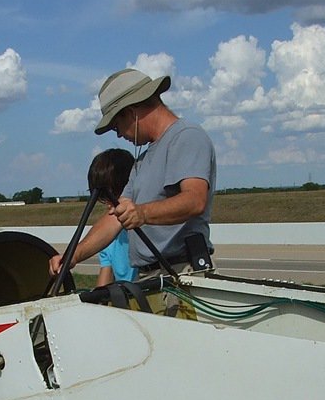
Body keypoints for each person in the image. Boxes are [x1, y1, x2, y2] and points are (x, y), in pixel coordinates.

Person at [49, 68, 216, 287]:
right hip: (151, 277)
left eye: (116, 125)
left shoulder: (187, 137)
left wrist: (143, 213)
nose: (118, 134)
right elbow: (114, 219)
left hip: (183, 273)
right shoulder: (143, 161)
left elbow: (195, 201)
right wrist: (75, 254)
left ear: (131, 111)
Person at [89, 148, 136, 285]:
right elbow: (104, 285)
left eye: (114, 195)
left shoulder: (150, 226)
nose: (110, 206)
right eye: (104, 198)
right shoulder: (109, 239)